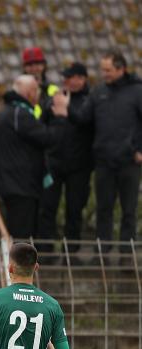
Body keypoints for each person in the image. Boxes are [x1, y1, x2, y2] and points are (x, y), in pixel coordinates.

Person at [69, 50, 142, 257]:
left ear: (121, 69)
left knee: (129, 211)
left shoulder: (137, 91)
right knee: (104, 209)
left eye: (108, 70)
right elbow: (84, 119)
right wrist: (67, 109)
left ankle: (127, 255)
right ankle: (102, 252)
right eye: (102, 70)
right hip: (104, 162)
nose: (104, 74)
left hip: (129, 161)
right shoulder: (98, 92)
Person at [0, 75, 68, 239]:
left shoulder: (10, 111)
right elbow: (49, 138)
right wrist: (61, 116)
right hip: (20, 185)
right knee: (22, 233)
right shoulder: (21, 115)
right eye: (36, 90)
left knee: (19, 231)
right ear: (29, 93)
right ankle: (19, 264)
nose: (39, 94)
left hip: (13, 182)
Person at [37, 62, 94, 257]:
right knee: (48, 207)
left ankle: (72, 250)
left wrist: (67, 111)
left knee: (74, 209)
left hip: (79, 166)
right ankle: (46, 249)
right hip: (54, 163)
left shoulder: (90, 100)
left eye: (69, 77)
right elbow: (41, 124)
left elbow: (88, 123)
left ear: (81, 79)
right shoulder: (55, 98)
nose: (65, 81)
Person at [21, 46, 59, 119]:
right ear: (24, 68)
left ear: (44, 65)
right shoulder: (19, 90)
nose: (34, 68)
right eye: (30, 65)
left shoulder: (53, 89)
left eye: (37, 64)